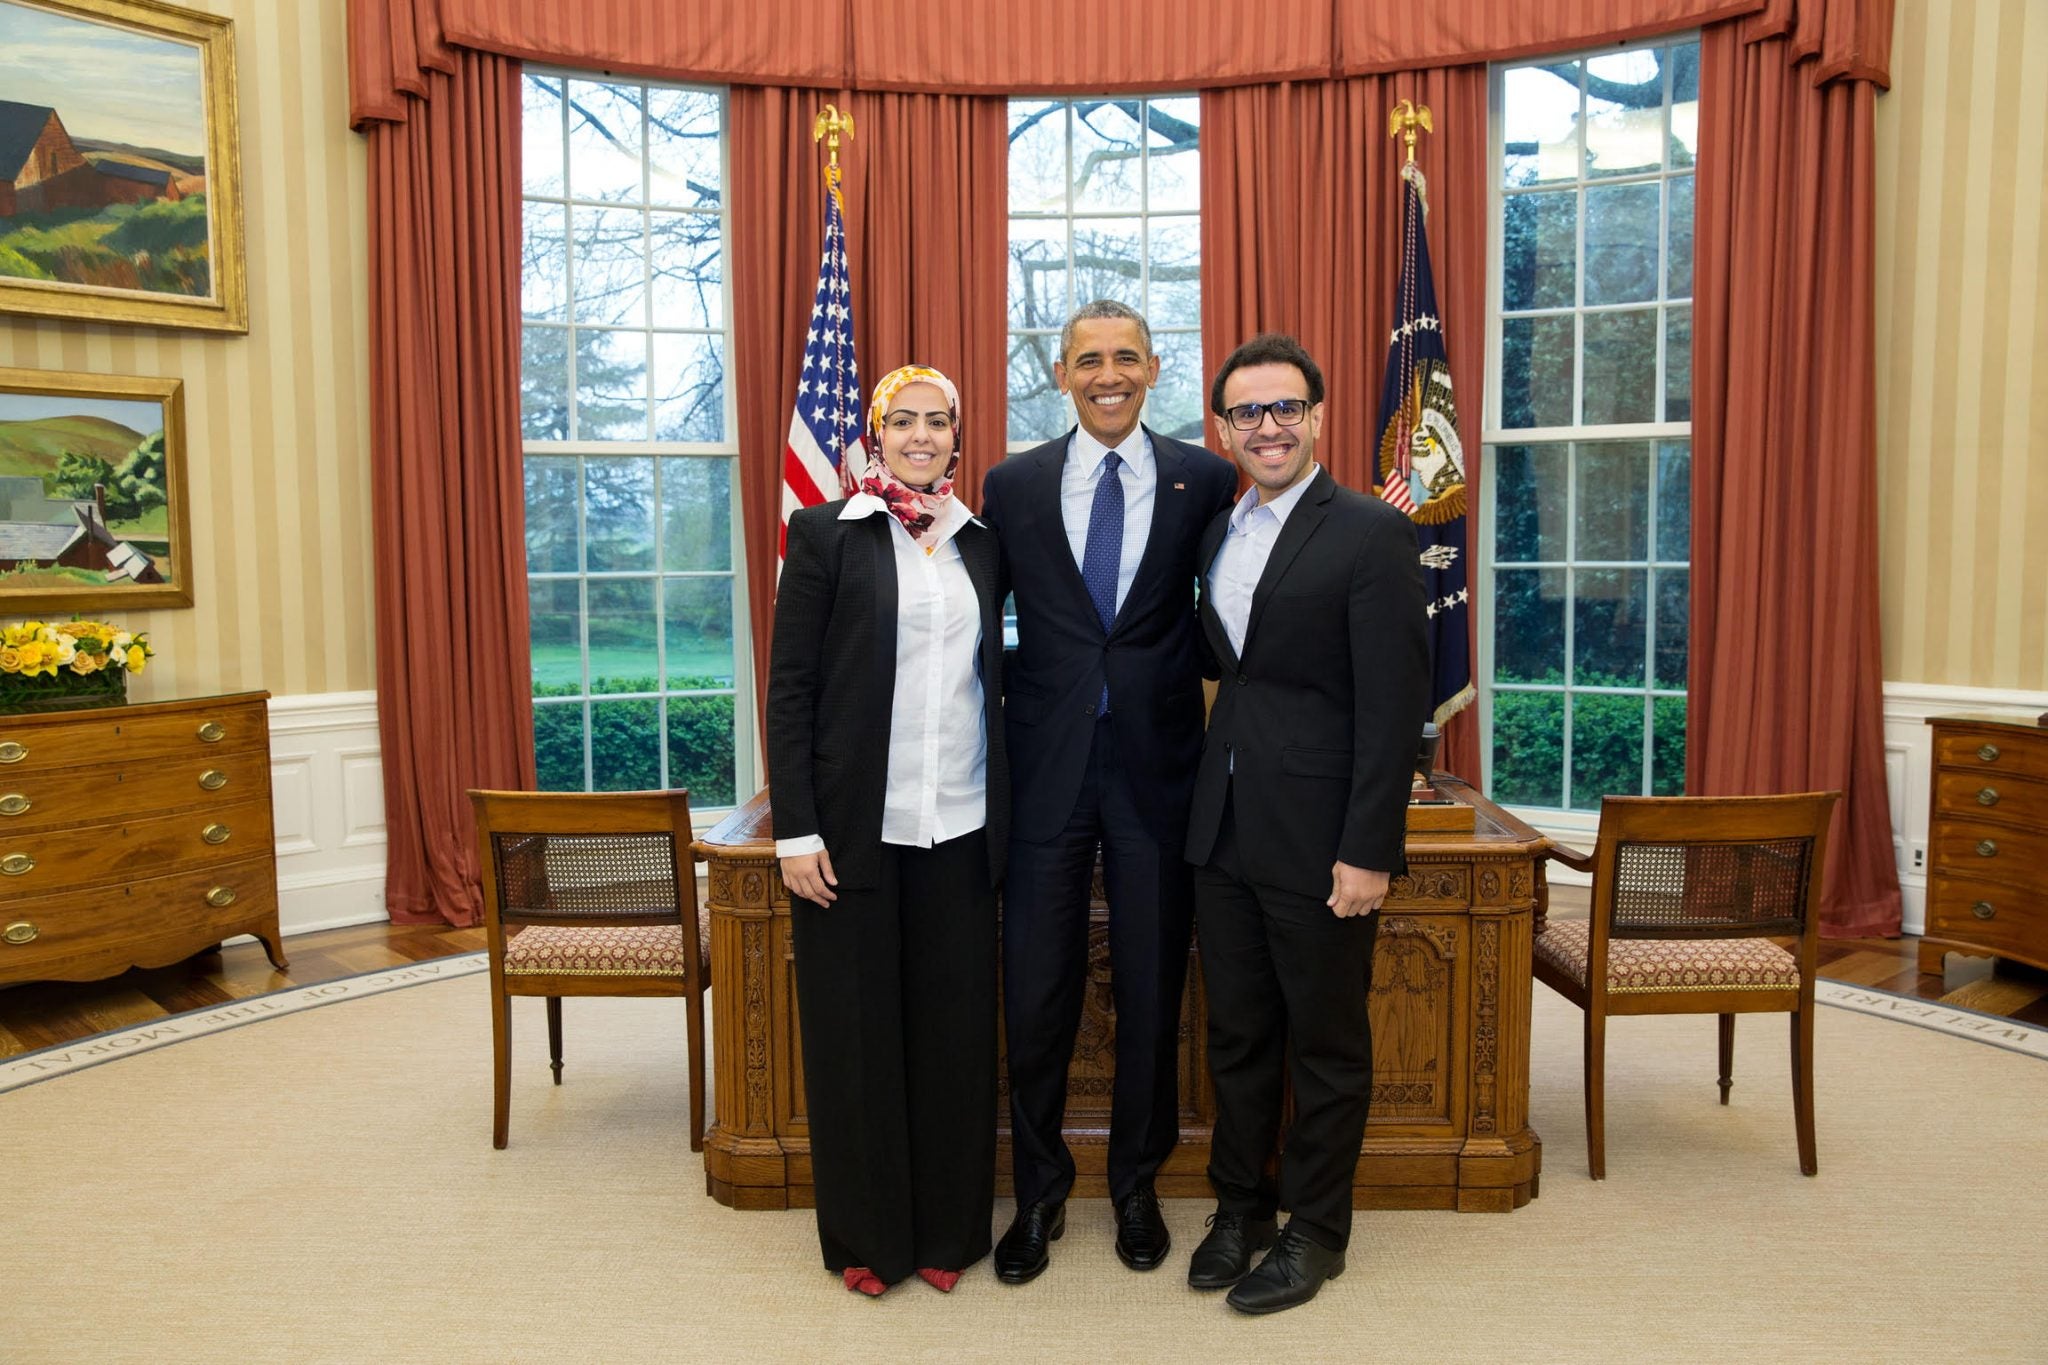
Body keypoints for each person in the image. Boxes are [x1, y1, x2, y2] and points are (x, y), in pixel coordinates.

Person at [980, 300, 1237, 1283]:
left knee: (1149, 988)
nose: (1107, 373)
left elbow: (1253, 595)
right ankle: (1039, 1190)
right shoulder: (1011, 485)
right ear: (1060, 373)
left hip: (1159, 773)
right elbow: (960, 619)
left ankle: (1135, 1183)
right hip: (1042, 774)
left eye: (1125, 356)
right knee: (1035, 989)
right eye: (1089, 358)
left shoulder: (1204, 477)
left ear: (1154, 366)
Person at [1182, 333, 1429, 1315]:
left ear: (1315, 417)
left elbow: (1391, 705)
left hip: (1324, 839)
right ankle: (1239, 1208)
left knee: (1324, 1046)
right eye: (1247, 412)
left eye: (1284, 408)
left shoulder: (1366, 532)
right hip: (1223, 829)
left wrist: (1368, 848)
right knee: (1238, 1036)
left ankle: (1315, 1230)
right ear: (1223, 428)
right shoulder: (1219, 530)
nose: (1267, 426)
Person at [766, 364, 1008, 1298]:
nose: (920, 436)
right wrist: (797, 830)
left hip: (961, 823)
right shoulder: (826, 533)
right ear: (874, 435)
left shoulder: (980, 543)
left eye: (937, 422)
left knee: (951, 1038)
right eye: (901, 421)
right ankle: (866, 1237)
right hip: (852, 834)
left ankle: (950, 1229)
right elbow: (791, 690)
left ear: (957, 435)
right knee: (856, 1038)